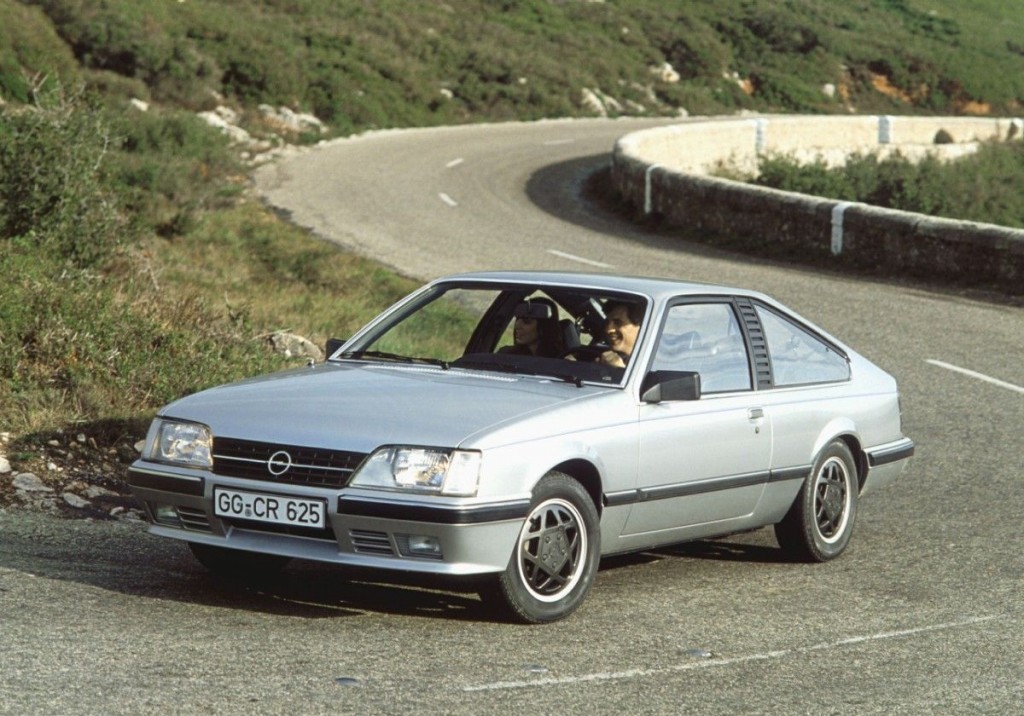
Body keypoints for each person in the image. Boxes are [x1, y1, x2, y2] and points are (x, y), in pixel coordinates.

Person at [498, 297, 565, 358]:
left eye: (526, 322)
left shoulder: (561, 360)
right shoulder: (505, 356)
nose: (517, 326)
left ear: (544, 327)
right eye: (517, 319)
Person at [597, 301, 642, 368]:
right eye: (607, 323)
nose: (608, 330)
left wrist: (619, 370)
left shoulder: (654, 363)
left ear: (640, 327)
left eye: (618, 322)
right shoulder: (602, 358)